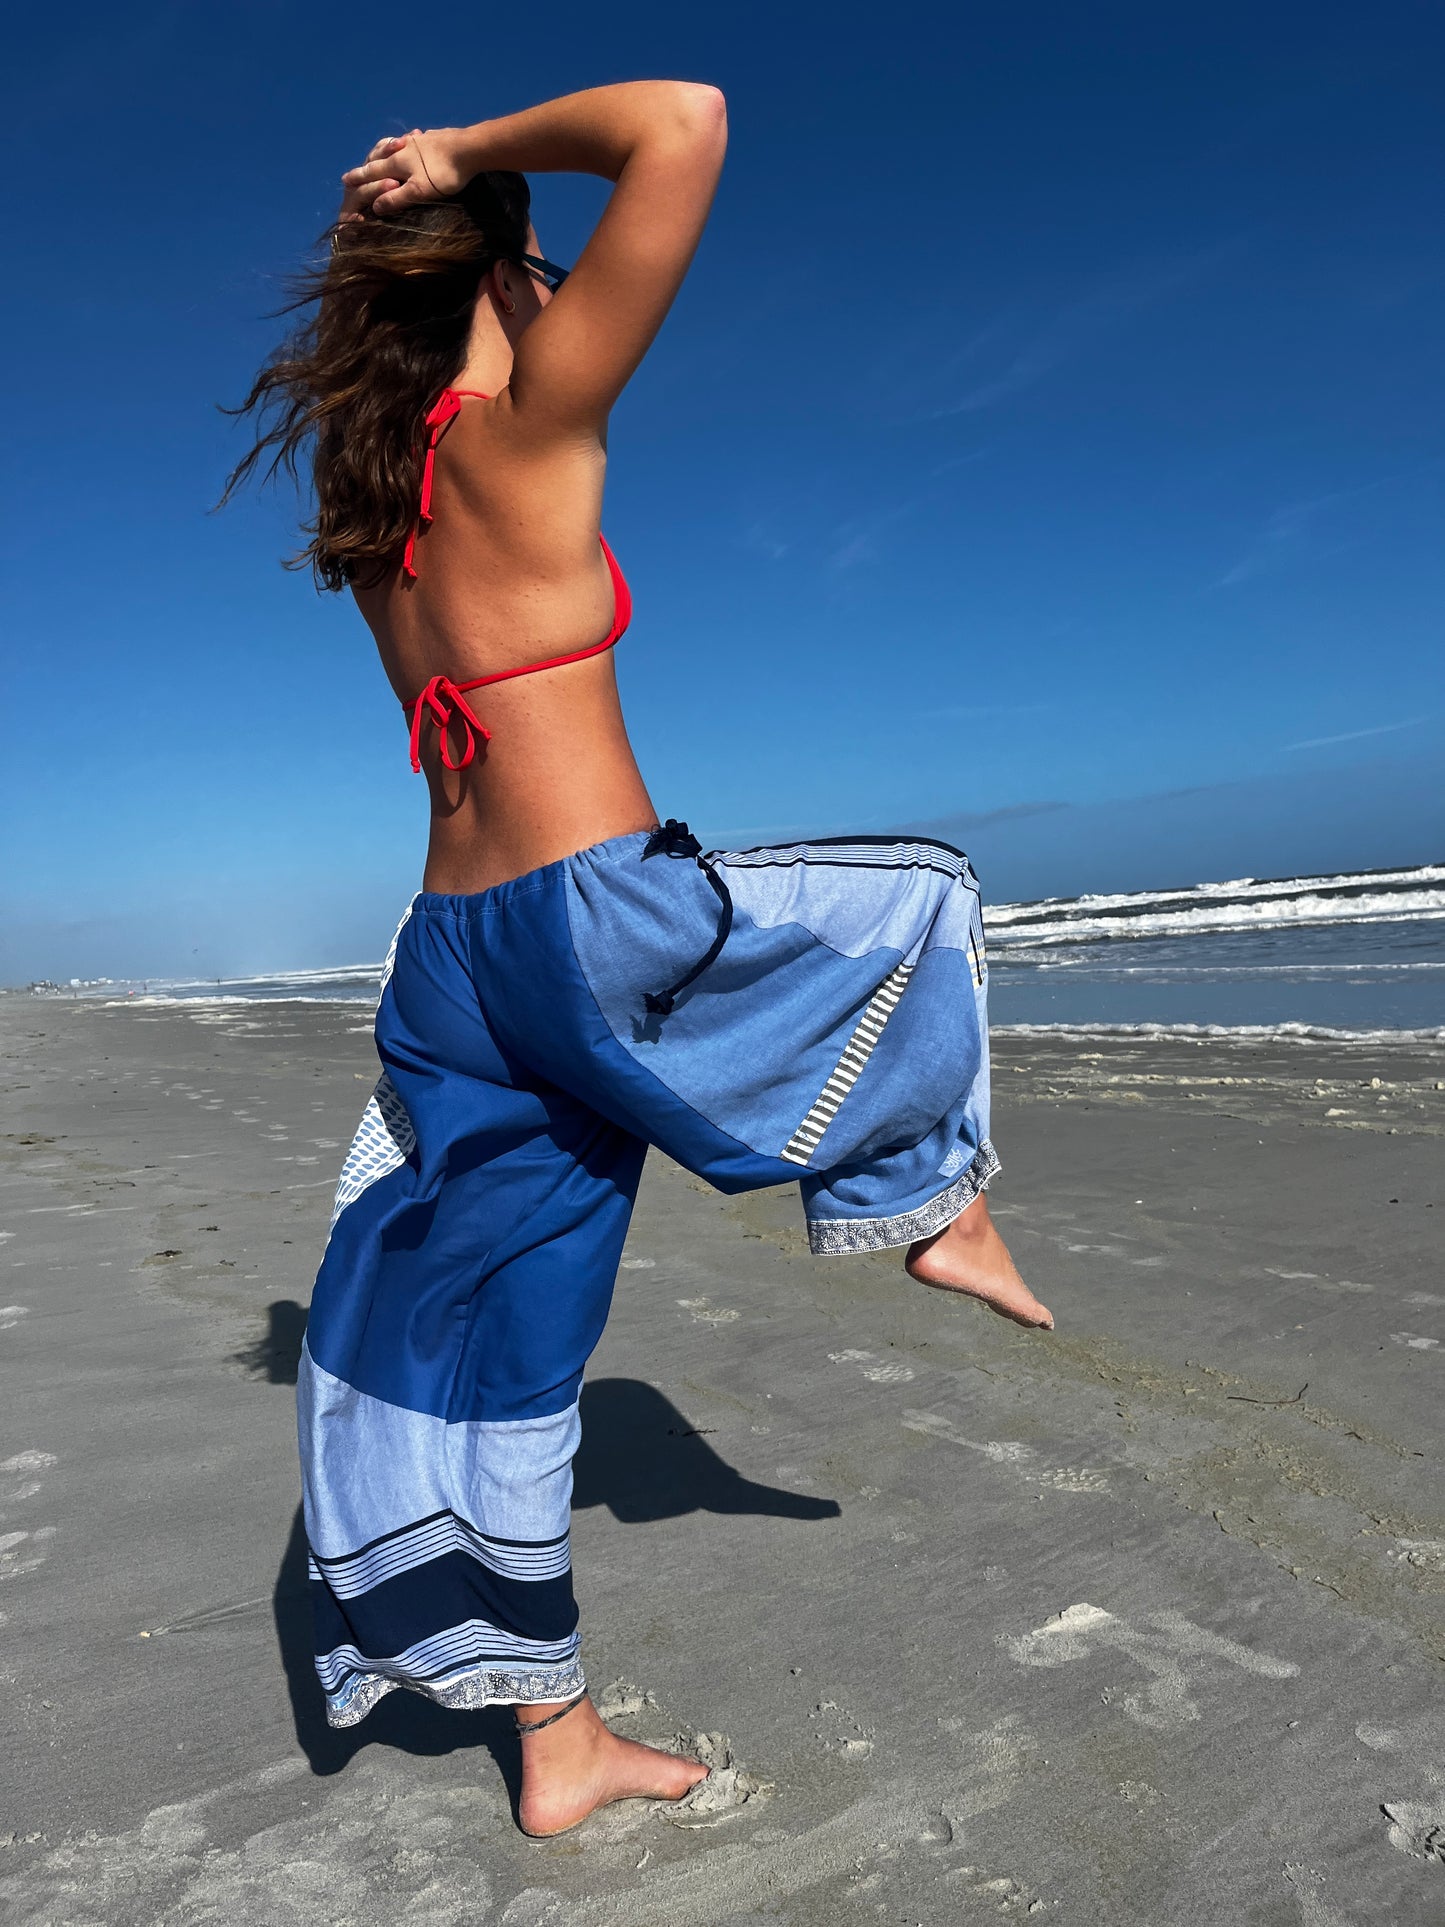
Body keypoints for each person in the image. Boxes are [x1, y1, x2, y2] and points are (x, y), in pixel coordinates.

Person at [226, 80, 1052, 1841]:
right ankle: (925, 1198)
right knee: (916, 893)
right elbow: (682, 119)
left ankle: (557, 1748)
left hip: (445, 958)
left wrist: (439, 221)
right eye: (539, 268)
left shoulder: (373, 494)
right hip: (586, 923)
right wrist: (464, 159)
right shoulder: (528, 422)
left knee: (514, 1353)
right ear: (514, 272)